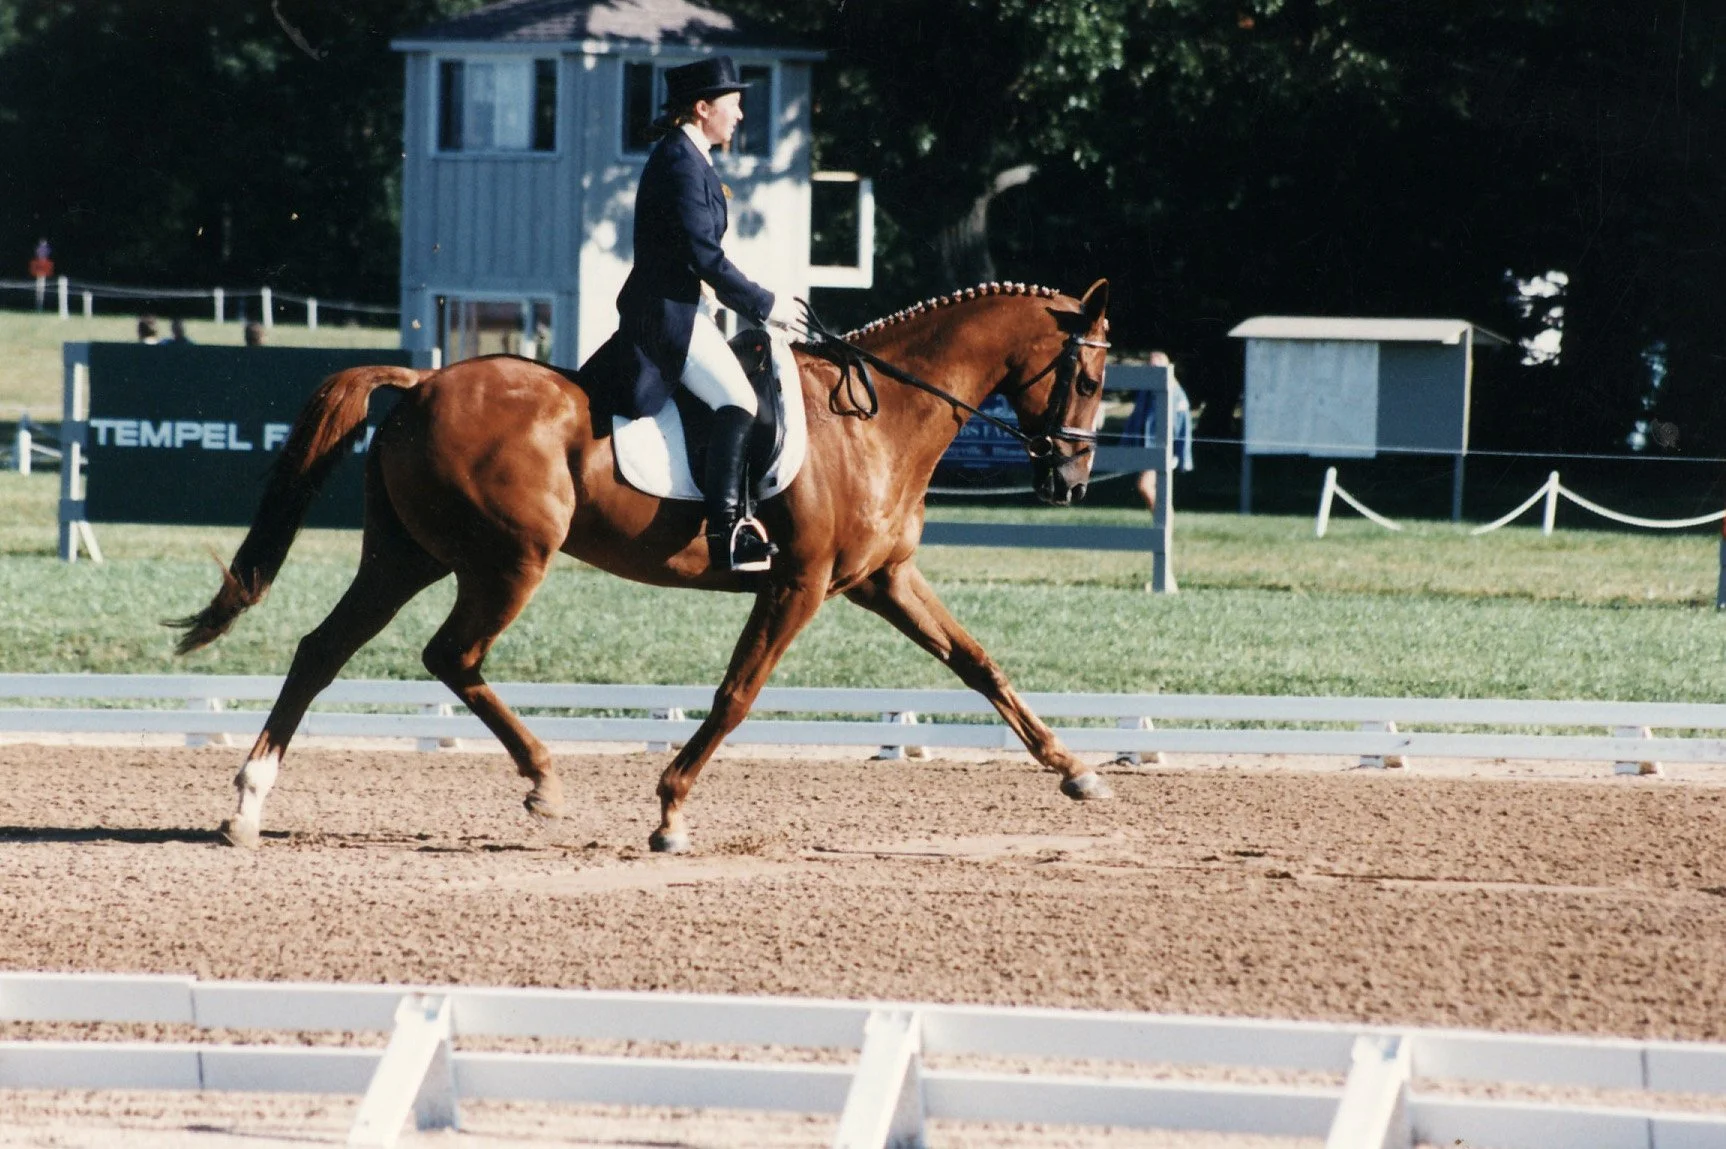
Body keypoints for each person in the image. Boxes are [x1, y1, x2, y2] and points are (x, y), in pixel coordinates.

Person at [614, 55, 782, 572]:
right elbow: (702, 255)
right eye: (733, 105)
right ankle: (727, 531)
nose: (740, 115)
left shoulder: (690, 158)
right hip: (669, 316)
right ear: (702, 107)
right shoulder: (681, 163)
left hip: (686, 308)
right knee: (739, 401)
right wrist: (761, 301)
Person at [1123, 350, 1194, 516]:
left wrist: (1181, 456)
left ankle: (1165, 520)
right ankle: (1165, 522)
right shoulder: (1146, 392)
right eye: (1150, 368)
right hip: (1147, 450)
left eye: (1156, 368)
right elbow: (1136, 419)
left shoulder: (1177, 396)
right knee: (1159, 492)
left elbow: (1183, 429)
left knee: (1144, 486)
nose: (1152, 372)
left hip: (1163, 450)